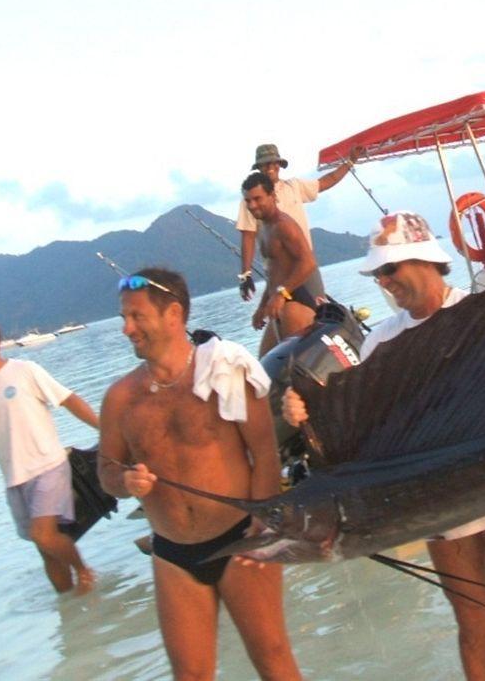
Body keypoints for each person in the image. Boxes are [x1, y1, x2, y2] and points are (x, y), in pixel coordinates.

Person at [282, 212, 485, 681]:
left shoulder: (484, 313)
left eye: (389, 269)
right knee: (473, 623)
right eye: (377, 273)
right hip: (438, 499)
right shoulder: (381, 340)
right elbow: (362, 426)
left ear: (423, 260)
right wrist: (302, 412)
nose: (383, 281)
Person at [97, 268, 301, 681]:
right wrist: (125, 482)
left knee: (273, 660)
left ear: (173, 314)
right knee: (190, 674)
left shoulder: (223, 374)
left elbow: (264, 452)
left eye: (136, 317)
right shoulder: (120, 398)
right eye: (124, 318)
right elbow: (106, 471)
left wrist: (262, 523)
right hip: (173, 553)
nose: (126, 328)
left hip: (240, 536)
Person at [0, 316, 100, 595]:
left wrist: (104, 428)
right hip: (15, 478)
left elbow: (67, 399)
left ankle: (84, 571)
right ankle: (68, 612)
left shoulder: (25, 370)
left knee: (43, 534)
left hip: (48, 466)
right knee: (45, 550)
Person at [236, 142, 362, 301]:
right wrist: (246, 275)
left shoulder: (294, 186)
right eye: (266, 163)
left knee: (320, 312)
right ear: (259, 167)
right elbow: (248, 236)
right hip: (277, 271)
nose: (271, 166)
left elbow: (326, 181)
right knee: (282, 315)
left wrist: (350, 161)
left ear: (279, 165)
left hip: (304, 264)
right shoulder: (250, 200)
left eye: (275, 162)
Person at [242, 169, 324, 355]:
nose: (252, 205)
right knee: (263, 369)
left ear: (272, 195)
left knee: (295, 367)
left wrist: (281, 294)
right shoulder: (264, 228)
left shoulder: (284, 225)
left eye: (257, 198)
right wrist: (262, 306)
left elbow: (308, 262)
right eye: (248, 201)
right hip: (278, 303)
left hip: (295, 303)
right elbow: (274, 273)